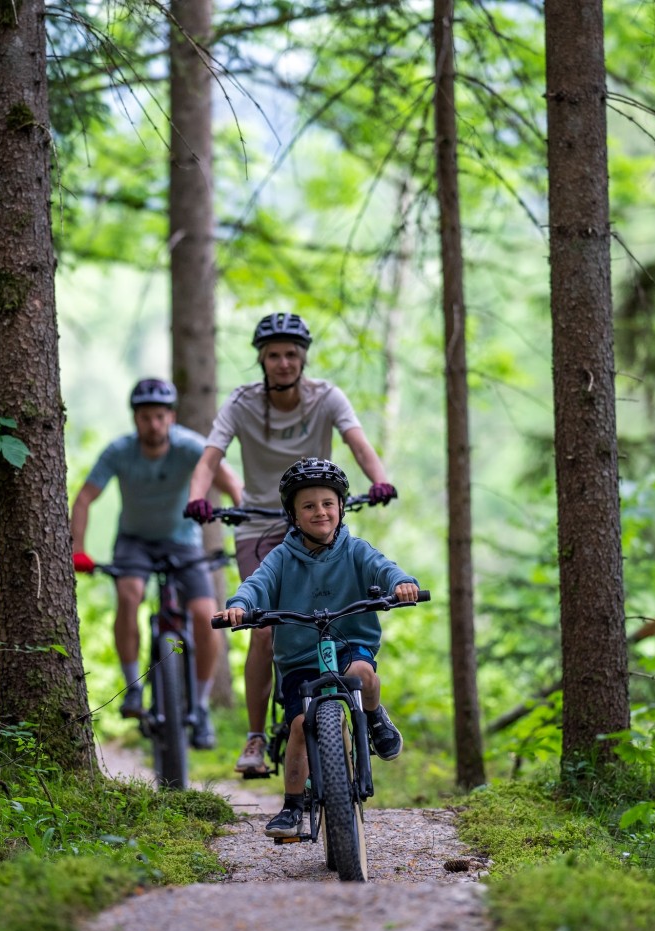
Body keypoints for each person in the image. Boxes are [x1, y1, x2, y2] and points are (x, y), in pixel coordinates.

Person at [184, 311, 398, 776]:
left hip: (314, 513)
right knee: (262, 627)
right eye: (274, 355)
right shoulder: (241, 403)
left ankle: (360, 705)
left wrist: (379, 480)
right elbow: (210, 456)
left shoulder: (326, 398)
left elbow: (357, 442)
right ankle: (256, 736)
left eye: (291, 354)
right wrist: (196, 497)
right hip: (261, 524)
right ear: (262, 360)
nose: (283, 363)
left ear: (303, 358)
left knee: (335, 612)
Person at [217, 457, 418, 837]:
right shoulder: (280, 557)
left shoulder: (355, 549)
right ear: (293, 515)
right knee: (297, 725)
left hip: (349, 643)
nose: (320, 512)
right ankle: (292, 807)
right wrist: (240, 606)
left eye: (327, 503)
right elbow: (256, 584)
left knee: (363, 675)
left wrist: (401, 583)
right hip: (299, 659)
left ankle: (373, 718)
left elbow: (384, 568)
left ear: (341, 507)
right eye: (308, 506)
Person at [71, 377, 243, 748]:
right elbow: (84, 498)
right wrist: (78, 549)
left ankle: (199, 707)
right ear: (136, 420)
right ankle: (133, 689)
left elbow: (231, 484)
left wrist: (246, 531)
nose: (153, 424)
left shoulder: (190, 447)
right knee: (130, 594)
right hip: (134, 542)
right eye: (146, 417)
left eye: (160, 417)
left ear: (172, 417)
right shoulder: (119, 451)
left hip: (183, 542)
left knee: (205, 614)